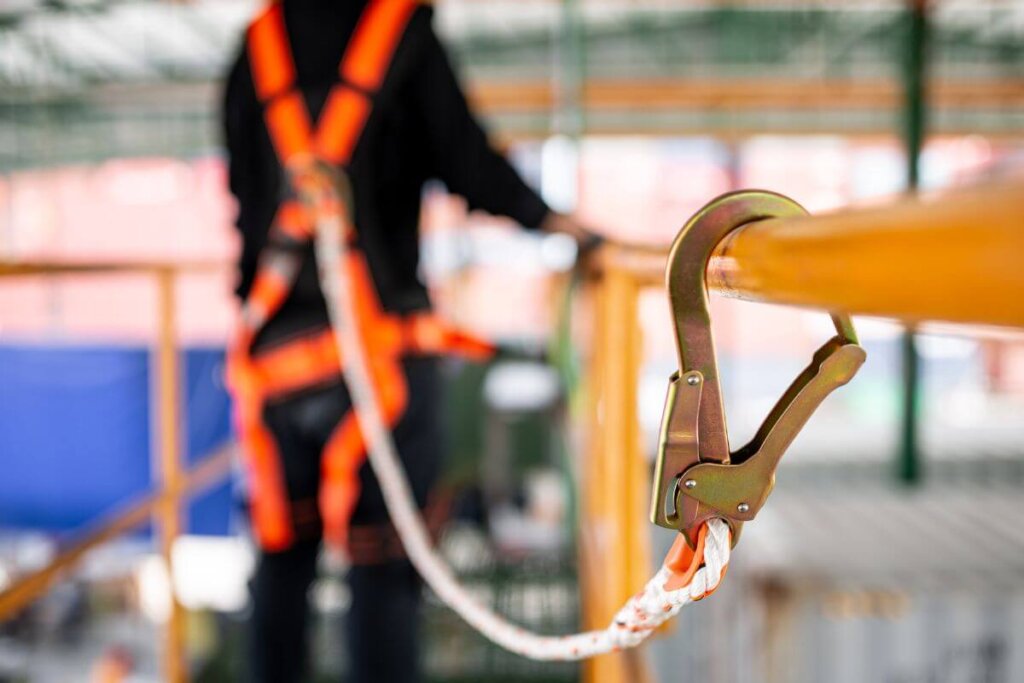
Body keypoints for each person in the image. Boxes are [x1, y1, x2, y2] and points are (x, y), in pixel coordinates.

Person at [221, 1, 599, 681]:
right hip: (378, 366)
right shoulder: (401, 36)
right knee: (382, 573)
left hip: (278, 367)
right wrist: (559, 224)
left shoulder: (255, 48)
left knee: (282, 566)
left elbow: (245, 199)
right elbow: (469, 164)